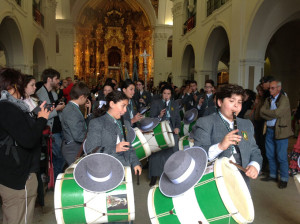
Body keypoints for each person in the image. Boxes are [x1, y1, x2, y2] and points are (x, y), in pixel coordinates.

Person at [0, 68, 51, 224]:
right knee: (20, 219)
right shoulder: (8, 108)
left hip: (11, 174)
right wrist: (42, 119)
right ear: (15, 86)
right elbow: (28, 139)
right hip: (19, 177)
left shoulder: (9, 106)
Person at [192, 84, 262, 188]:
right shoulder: (205, 122)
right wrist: (220, 146)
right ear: (220, 102)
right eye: (231, 101)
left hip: (242, 180)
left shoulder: (247, 124)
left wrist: (254, 165)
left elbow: (254, 150)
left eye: (239, 102)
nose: (236, 106)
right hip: (216, 181)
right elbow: (198, 155)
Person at [84, 91, 142, 199]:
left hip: (124, 169)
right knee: (110, 205)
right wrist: (114, 148)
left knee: (122, 205)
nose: (125, 110)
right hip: (105, 172)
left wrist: (135, 163)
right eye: (123, 106)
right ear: (111, 104)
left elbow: (128, 146)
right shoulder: (97, 123)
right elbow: (91, 150)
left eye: (126, 106)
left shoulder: (124, 123)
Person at [260, 80, 293, 189]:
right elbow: (261, 112)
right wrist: (272, 115)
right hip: (269, 130)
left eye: (272, 88)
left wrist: (269, 113)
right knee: (270, 154)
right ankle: (273, 175)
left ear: (279, 88)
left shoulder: (284, 99)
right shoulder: (268, 99)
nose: (270, 90)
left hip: (281, 131)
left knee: (281, 156)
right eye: (269, 88)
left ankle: (284, 179)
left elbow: (278, 113)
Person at [36, 68, 66, 181]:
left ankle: (53, 178)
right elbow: (43, 114)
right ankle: (55, 180)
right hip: (51, 131)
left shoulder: (53, 93)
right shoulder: (40, 94)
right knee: (60, 156)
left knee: (60, 156)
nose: (58, 81)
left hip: (59, 128)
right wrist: (57, 109)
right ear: (49, 79)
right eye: (56, 78)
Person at [148, 84, 181, 186]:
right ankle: (154, 176)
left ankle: (172, 175)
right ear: (161, 94)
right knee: (156, 153)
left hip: (171, 130)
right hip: (159, 130)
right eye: (164, 93)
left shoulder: (174, 104)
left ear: (171, 94)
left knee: (172, 152)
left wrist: (177, 127)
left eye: (169, 94)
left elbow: (178, 119)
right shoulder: (156, 103)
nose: (166, 96)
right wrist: (159, 115)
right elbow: (151, 118)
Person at [61, 82, 91, 165]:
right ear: (81, 97)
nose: (86, 100)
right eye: (86, 98)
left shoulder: (73, 107)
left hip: (74, 146)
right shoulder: (71, 111)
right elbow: (78, 136)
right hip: (73, 148)